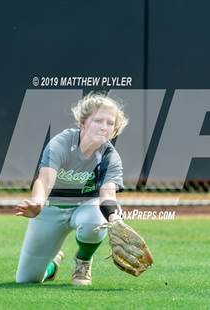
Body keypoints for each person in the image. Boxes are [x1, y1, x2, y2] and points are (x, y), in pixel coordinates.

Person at [14, 93, 128, 286]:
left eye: (110, 123)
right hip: (50, 208)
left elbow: (107, 195)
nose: (104, 127)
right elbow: (44, 180)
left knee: (96, 221)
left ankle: (83, 261)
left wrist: (115, 220)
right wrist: (38, 203)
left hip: (85, 207)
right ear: (83, 123)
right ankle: (52, 265)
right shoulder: (62, 143)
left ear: (115, 129)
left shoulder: (110, 156)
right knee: (27, 280)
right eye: (98, 120)